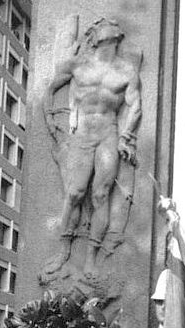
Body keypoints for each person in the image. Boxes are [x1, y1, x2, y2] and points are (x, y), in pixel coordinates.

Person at [43, 18, 142, 276]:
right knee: (75, 193)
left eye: (109, 24)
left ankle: (91, 259)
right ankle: (64, 251)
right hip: (82, 135)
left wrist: (127, 137)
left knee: (100, 195)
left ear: (116, 35)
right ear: (94, 36)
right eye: (100, 25)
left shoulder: (126, 71)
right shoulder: (78, 65)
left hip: (109, 133)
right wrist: (50, 118)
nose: (105, 26)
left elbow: (135, 106)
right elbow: (51, 87)